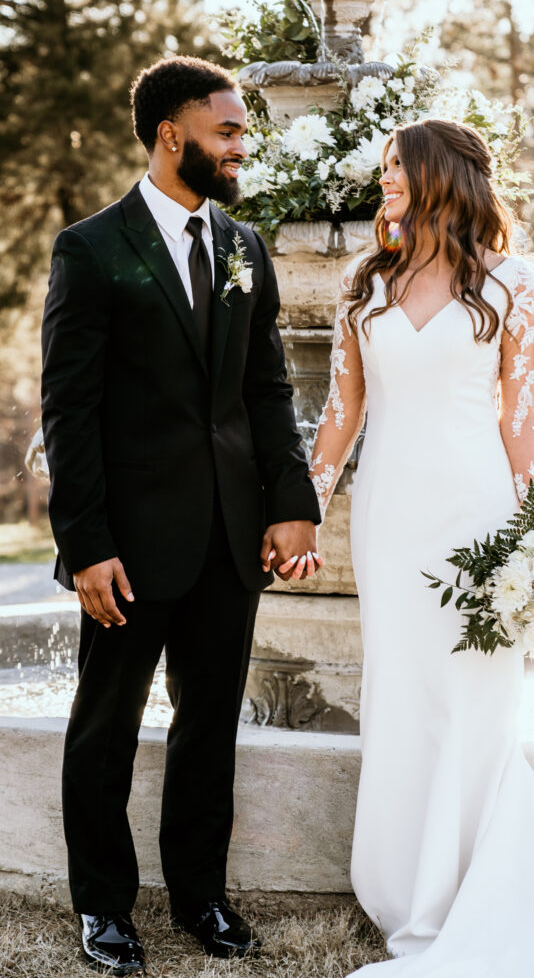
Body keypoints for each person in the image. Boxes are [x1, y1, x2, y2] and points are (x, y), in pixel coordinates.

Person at [308, 118, 534, 978]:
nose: (384, 187)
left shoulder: (512, 285)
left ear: (440, 176)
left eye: (396, 171)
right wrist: (306, 507)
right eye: (381, 174)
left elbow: (523, 419)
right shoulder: (361, 282)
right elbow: (341, 412)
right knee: (400, 693)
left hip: (477, 516)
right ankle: (406, 890)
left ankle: (474, 885)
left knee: (474, 702)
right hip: (390, 518)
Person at [41, 55, 322, 976]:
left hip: (229, 538)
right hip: (125, 545)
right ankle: (104, 910)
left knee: (209, 723)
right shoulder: (91, 248)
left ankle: (200, 894)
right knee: (106, 724)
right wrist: (86, 544)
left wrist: (291, 505)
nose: (243, 145)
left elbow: (266, 387)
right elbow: (68, 411)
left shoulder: (244, 248)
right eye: (228, 130)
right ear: (173, 134)